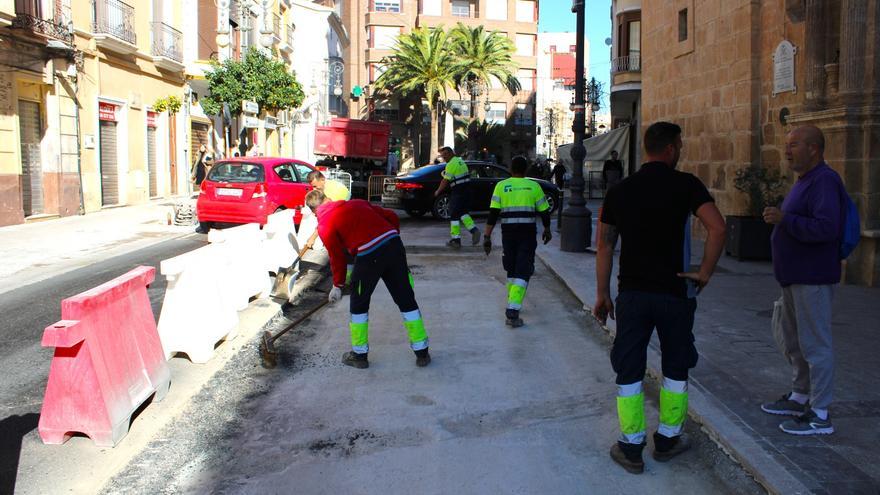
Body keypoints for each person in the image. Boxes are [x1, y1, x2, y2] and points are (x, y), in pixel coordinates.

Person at [593, 122, 726, 474]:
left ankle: (631, 445)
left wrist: (602, 293)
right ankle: (668, 438)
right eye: (679, 145)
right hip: (674, 293)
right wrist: (705, 272)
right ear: (669, 149)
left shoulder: (620, 190)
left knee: (629, 366)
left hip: (633, 294)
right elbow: (718, 226)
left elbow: (604, 245)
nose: (680, 150)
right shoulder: (686, 185)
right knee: (676, 364)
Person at [760, 125, 846, 436]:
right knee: (795, 342)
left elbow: (827, 228)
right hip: (794, 277)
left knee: (816, 345)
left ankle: (820, 413)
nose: (787, 150)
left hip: (813, 278)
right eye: (787, 145)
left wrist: (785, 220)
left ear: (814, 148)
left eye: (794, 145)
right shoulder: (805, 181)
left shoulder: (824, 181)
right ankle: (800, 396)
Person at [305, 189, 430, 369]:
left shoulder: (324, 225)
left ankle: (359, 355)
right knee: (406, 299)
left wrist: (338, 285)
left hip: (369, 256)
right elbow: (391, 216)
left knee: (358, 305)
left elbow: (336, 256)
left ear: (314, 211)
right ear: (329, 199)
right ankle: (422, 352)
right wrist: (392, 238)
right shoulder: (357, 203)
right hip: (394, 247)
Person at [483, 156, 552, 327]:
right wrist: (547, 229)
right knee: (523, 268)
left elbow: (493, 214)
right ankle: (513, 310)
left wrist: (487, 236)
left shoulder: (501, 186)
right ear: (525, 169)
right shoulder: (534, 186)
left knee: (512, 267)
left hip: (508, 233)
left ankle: (513, 299)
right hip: (527, 232)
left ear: (511, 169)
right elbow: (544, 211)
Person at [434, 146, 481, 247]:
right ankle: (474, 230)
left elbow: (445, 180)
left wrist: (438, 191)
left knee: (454, 214)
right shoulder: (461, 162)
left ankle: (456, 240)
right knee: (463, 213)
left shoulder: (451, 164)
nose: (444, 158)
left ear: (451, 153)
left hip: (458, 191)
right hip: (466, 190)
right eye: (443, 156)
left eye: (445, 155)